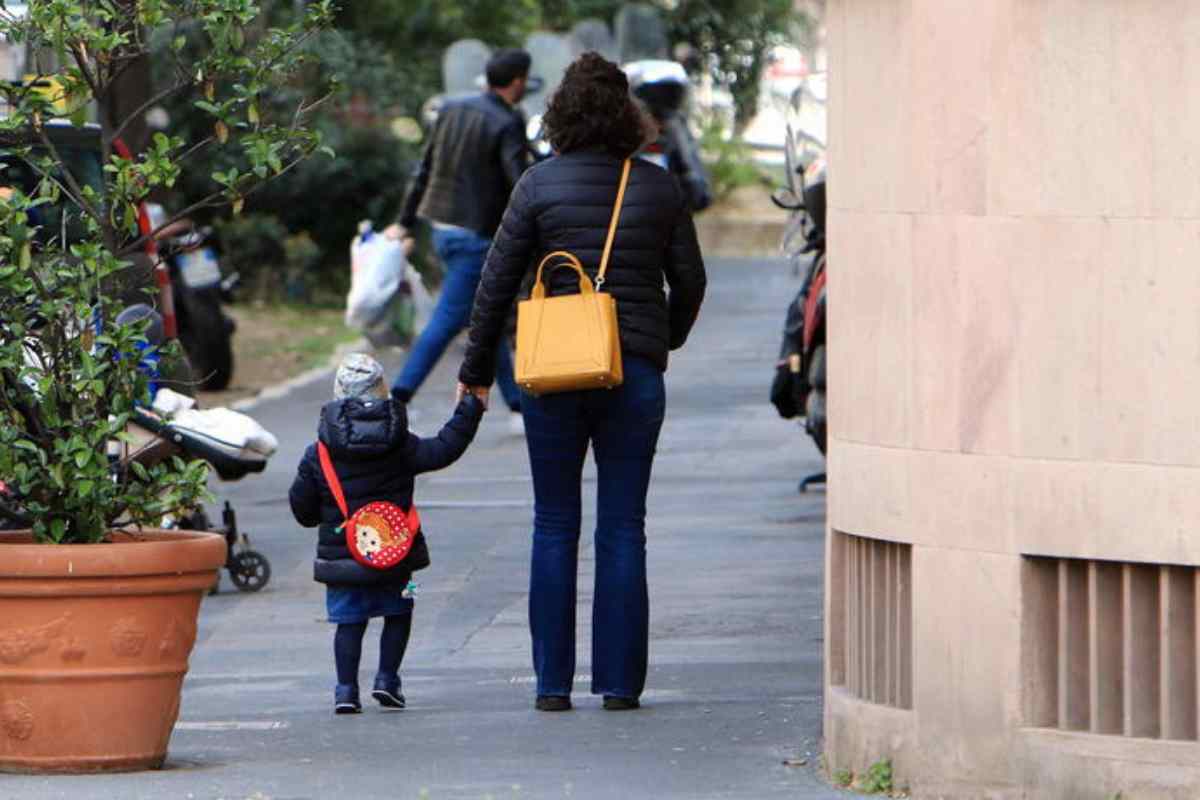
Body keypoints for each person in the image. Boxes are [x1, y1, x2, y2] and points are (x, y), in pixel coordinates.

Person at [456, 52, 707, 712]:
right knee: (624, 526)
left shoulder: (537, 186)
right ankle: (621, 685)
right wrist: (659, 341)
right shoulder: (655, 186)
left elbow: (495, 284)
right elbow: (692, 281)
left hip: (552, 372)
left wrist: (476, 374)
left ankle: (550, 685)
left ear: (559, 115)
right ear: (629, 117)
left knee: (554, 523)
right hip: (635, 375)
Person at [289, 353, 484, 714]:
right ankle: (388, 679)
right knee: (401, 609)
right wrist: (470, 409)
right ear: (382, 390)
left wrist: (328, 519)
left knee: (348, 621)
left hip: (342, 559)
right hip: (399, 557)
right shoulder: (400, 442)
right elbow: (444, 449)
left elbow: (302, 509)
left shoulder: (318, 452)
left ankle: (346, 690)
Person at [386, 48, 533, 433]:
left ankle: (518, 405)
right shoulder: (507, 120)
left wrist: (404, 222)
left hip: (443, 229)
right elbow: (518, 181)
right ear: (518, 81)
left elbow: (425, 168)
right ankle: (395, 400)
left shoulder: (451, 109)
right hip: (478, 236)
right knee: (449, 319)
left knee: (490, 317)